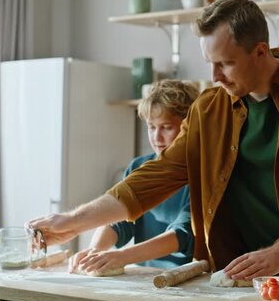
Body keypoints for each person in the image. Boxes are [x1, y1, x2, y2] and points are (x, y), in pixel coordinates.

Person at [28, 0, 279, 281]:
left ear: (260, 51)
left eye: (224, 64)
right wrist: (69, 222)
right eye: (209, 63)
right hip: (238, 279)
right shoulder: (208, 110)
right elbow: (151, 180)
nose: (213, 77)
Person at [69, 80, 199, 275]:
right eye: (151, 127)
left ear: (189, 127)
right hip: (144, 276)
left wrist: (121, 256)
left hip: (185, 278)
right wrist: (94, 251)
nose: (157, 137)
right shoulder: (138, 166)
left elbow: (183, 234)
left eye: (166, 127)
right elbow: (120, 221)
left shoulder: (201, 173)